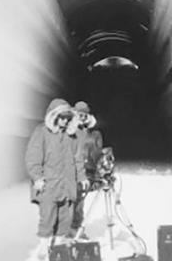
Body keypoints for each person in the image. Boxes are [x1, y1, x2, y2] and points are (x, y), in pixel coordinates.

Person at [25, 98, 88, 260]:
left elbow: (78, 158)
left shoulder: (72, 136)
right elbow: (33, 158)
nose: (65, 121)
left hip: (67, 185)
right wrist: (37, 177)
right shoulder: (42, 132)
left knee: (65, 220)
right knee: (47, 219)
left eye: (68, 118)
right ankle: (43, 250)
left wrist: (82, 177)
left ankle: (58, 250)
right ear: (54, 116)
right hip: (49, 186)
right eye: (62, 117)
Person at [69, 100, 103, 239]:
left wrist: (97, 174)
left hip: (86, 172)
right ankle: (68, 229)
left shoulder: (92, 134)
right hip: (71, 171)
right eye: (79, 115)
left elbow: (96, 155)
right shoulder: (69, 131)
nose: (82, 118)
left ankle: (76, 228)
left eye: (84, 115)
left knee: (79, 202)